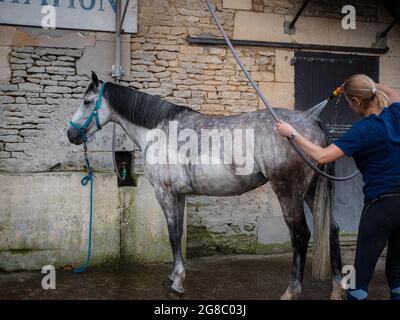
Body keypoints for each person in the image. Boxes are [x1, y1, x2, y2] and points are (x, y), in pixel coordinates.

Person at [276, 74, 400, 300]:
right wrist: (372, 84)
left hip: (381, 208)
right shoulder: (397, 114)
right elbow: (393, 94)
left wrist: (292, 134)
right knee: (398, 271)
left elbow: (322, 156)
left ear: (355, 101)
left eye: (349, 103)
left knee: (355, 276)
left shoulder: (362, 130)